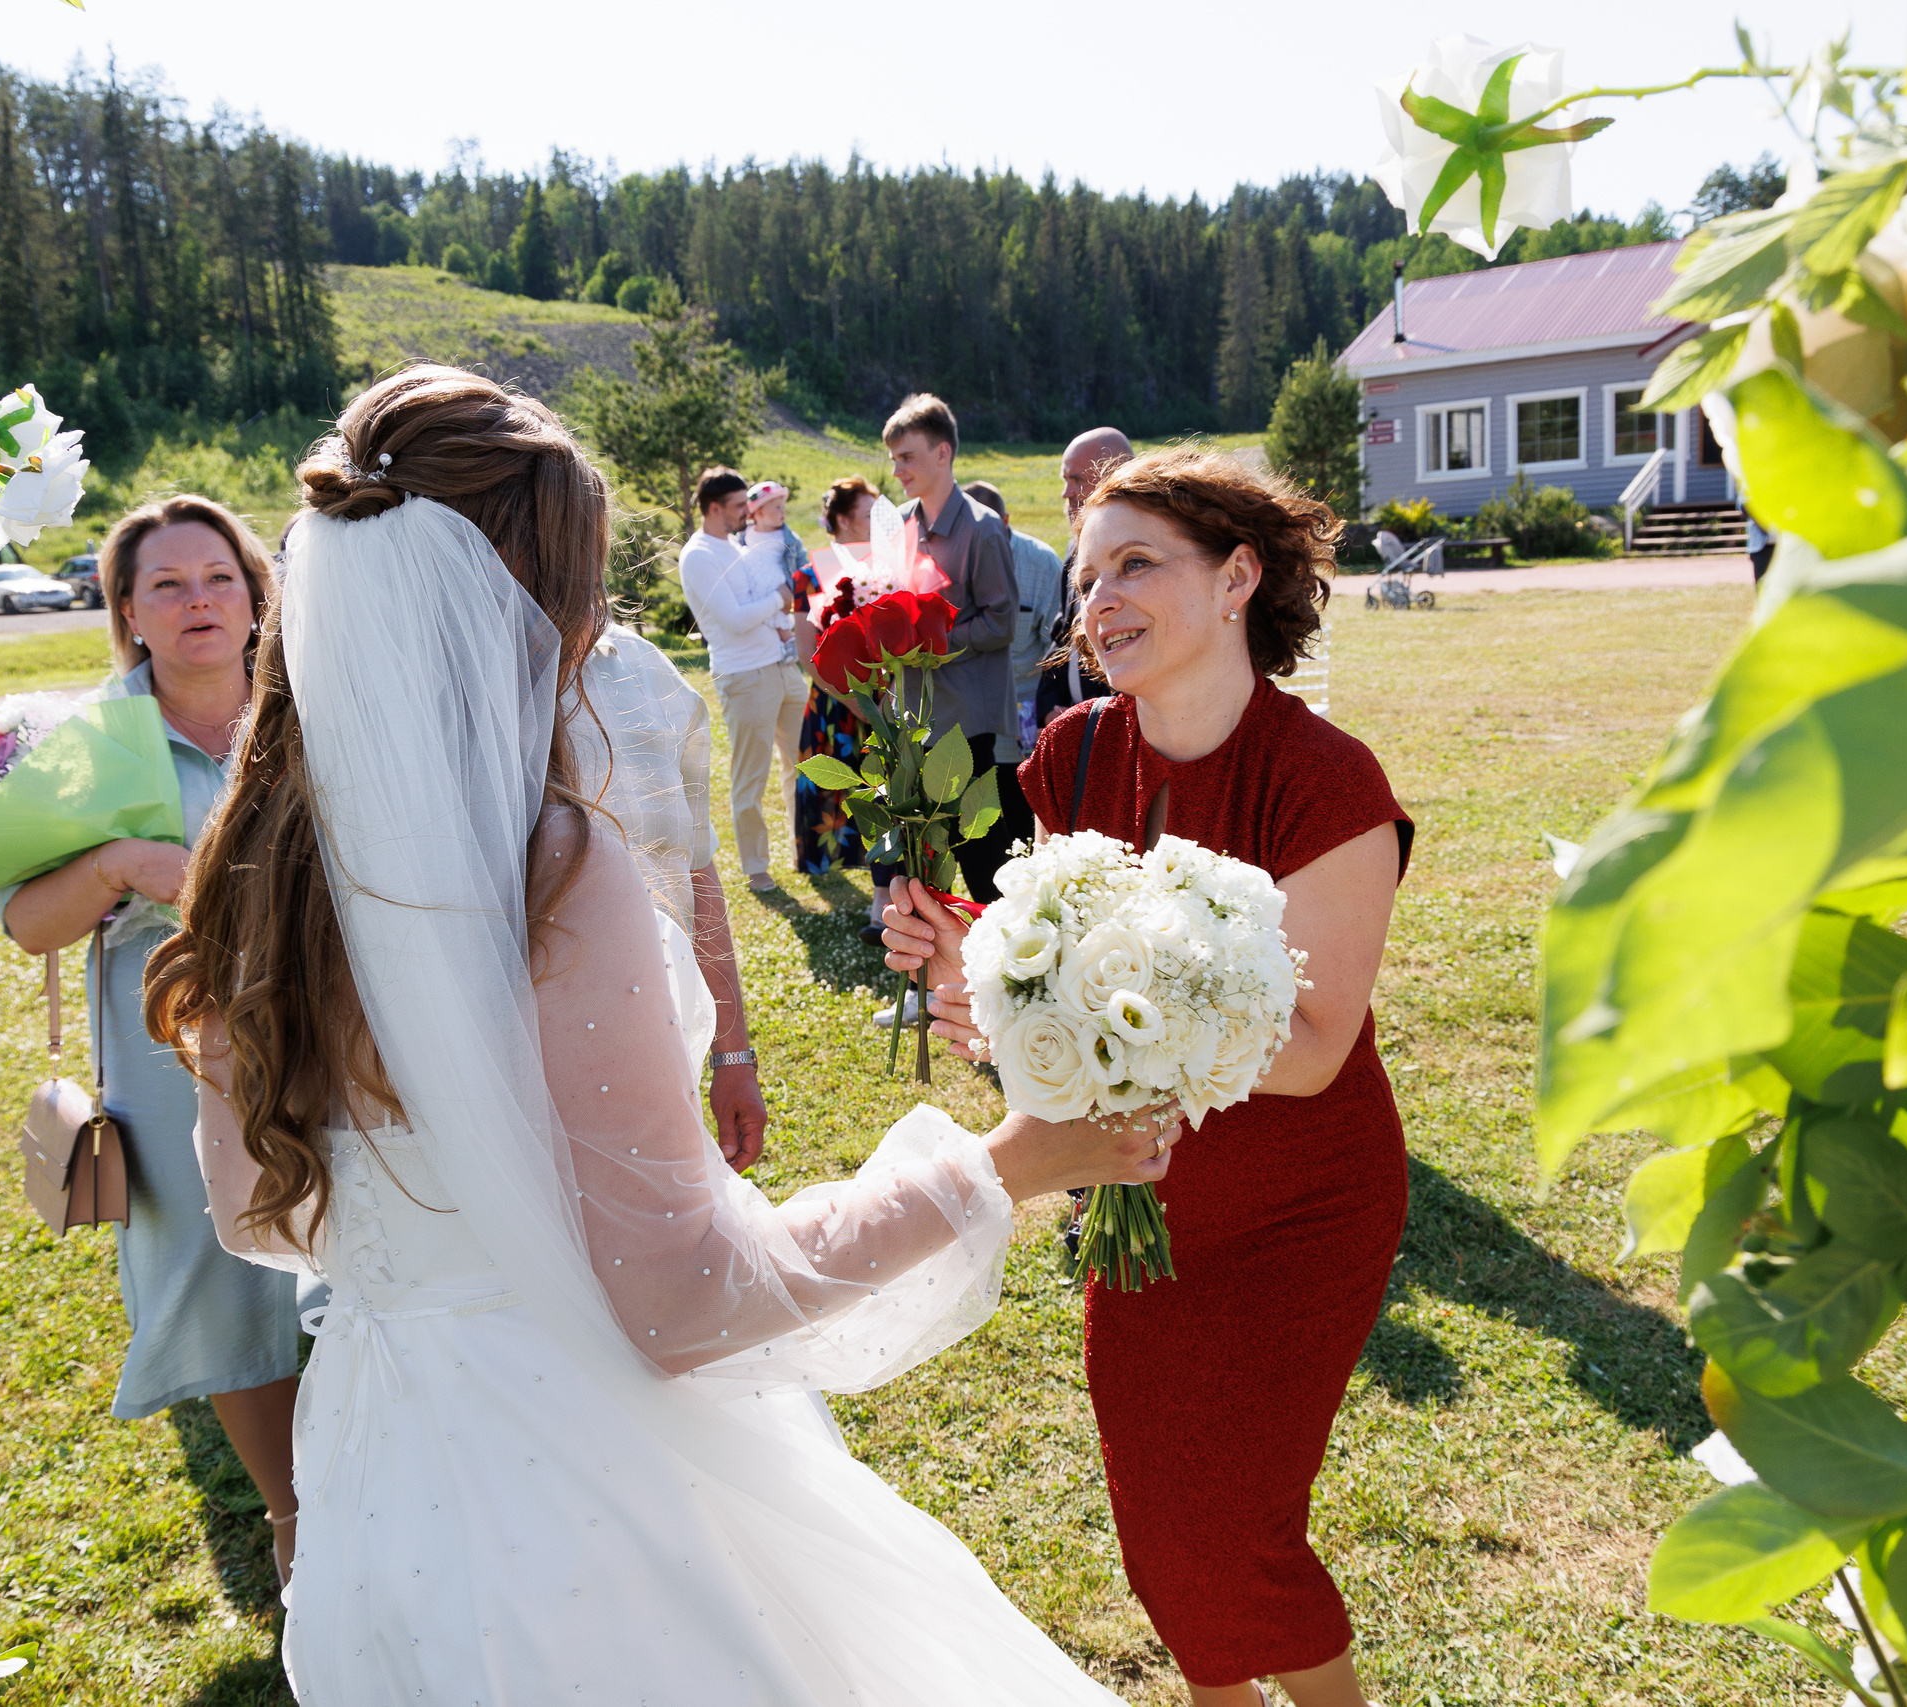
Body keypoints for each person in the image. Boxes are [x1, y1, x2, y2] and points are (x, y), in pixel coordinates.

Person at [143, 365, 1175, 1703]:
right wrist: (1007, 1163)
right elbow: (688, 1299)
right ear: (533, 609)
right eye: (585, 591)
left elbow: (253, 1212)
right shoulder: (545, 867)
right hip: (591, 1509)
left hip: (377, 1485)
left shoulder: (250, 867)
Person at [884, 447, 1412, 1707]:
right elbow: (1045, 987)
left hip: (1300, 1207)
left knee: (1240, 1526)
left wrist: (1072, 1016)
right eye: (1083, 578)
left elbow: (1314, 1047)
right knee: (1159, 1531)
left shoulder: (1327, 782)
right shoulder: (1068, 757)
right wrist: (973, 984)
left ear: (1236, 580)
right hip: (1136, 1203)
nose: (1096, 602)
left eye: (1135, 566)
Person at [0, 495, 303, 1581]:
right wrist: (118, 864)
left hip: (323, 1022)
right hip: (173, 1050)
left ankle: (384, 1481)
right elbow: (26, 922)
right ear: (127, 612)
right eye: (165, 585)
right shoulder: (91, 741)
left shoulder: (309, 705)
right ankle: (292, 1519)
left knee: (354, 1246)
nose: (197, 602)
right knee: (217, 1265)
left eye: (216, 577)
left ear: (255, 591)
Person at [569, 620, 768, 1171]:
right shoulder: (473, 678)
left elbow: (696, 870)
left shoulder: (645, 670)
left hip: (667, 1047)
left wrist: (733, 1057)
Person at [883, 393, 1017, 904]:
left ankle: (1005, 962)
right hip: (910, 716)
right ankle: (932, 967)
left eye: (908, 456)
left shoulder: (982, 530)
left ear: (944, 454)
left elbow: (1001, 624)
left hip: (964, 721)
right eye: (893, 458)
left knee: (979, 850)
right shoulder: (898, 526)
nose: (897, 469)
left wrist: (930, 641)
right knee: (919, 851)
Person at [678, 466, 799, 894]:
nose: (747, 513)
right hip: (744, 676)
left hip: (782, 666)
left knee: (801, 765)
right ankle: (756, 867)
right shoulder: (698, 556)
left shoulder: (732, 546)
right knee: (751, 777)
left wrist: (778, 617)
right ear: (714, 508)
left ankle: (805, 851)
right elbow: (735, 620)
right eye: (737, 505)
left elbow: (754, 609)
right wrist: (780, 599)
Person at [961, 479, 1056, 864]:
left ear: (1006, 522)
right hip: (967, 719)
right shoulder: (950, 560)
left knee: (1023, 826)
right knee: (978, 834)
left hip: (1024, 723)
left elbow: (1059, 647)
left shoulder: (1041, 563)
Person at [791, 476, 877, 885]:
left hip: (885, 696)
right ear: (842, 519)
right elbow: (806, 651)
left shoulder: (889, 569)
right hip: (833, 700)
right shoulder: (811, 575)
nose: (879, 522)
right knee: (831, 783)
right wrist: (849, 699)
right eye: (869, 514)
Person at [1033, 426, 1132, 731]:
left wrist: (1095, 714)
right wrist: (1049, 706)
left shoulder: (1140, 550)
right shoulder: (1075, 548)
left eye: (1076, 480)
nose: (1066, 493)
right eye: (1065, 480)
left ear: (1113, 476)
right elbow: (1065, 633)